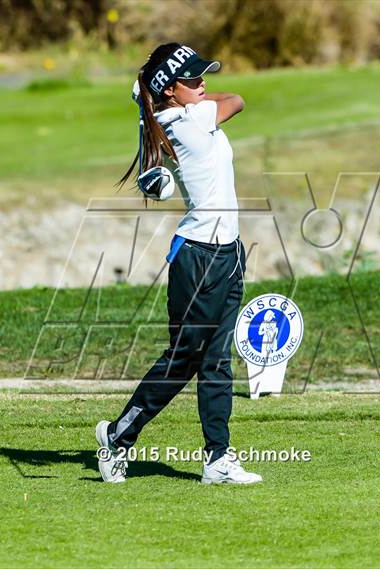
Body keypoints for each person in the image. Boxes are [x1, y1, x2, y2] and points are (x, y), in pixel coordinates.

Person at [95, 42, 262, 485]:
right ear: (169, 91)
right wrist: (171, 96)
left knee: (217, 360)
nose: (203, 83)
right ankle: (117, 435)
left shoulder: (178, 112)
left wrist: (162, 91)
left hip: (228, 250)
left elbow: (219, 100)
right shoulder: (185, 121)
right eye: (192, 79)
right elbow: (238, 100)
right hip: (198, 257)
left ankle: (218, 459)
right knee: (184, 358)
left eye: (202, 75)